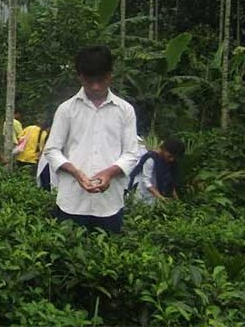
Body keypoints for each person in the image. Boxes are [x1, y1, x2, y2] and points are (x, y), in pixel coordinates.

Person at [43, 46, 140, 233]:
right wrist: (76, 173)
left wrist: (109, 173)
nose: (95, 87)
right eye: (89, 81)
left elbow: (131, 153)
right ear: (80, 77)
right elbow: (52, 150)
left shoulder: (125, 110)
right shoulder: (67, 109)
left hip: (109, 204)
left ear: (110, 76)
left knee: (108, 256)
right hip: (72, 202)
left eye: (101, 80)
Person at [128, 139, 185, 204]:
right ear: (164, 149)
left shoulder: (170, 163)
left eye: (174, 158)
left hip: (157, 195)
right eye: (170, 156)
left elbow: (170, 182)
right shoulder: (151, 159)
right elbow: (146, 181)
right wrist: (161, 197)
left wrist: (177, 201)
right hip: (143, 194)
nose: (171, 159)